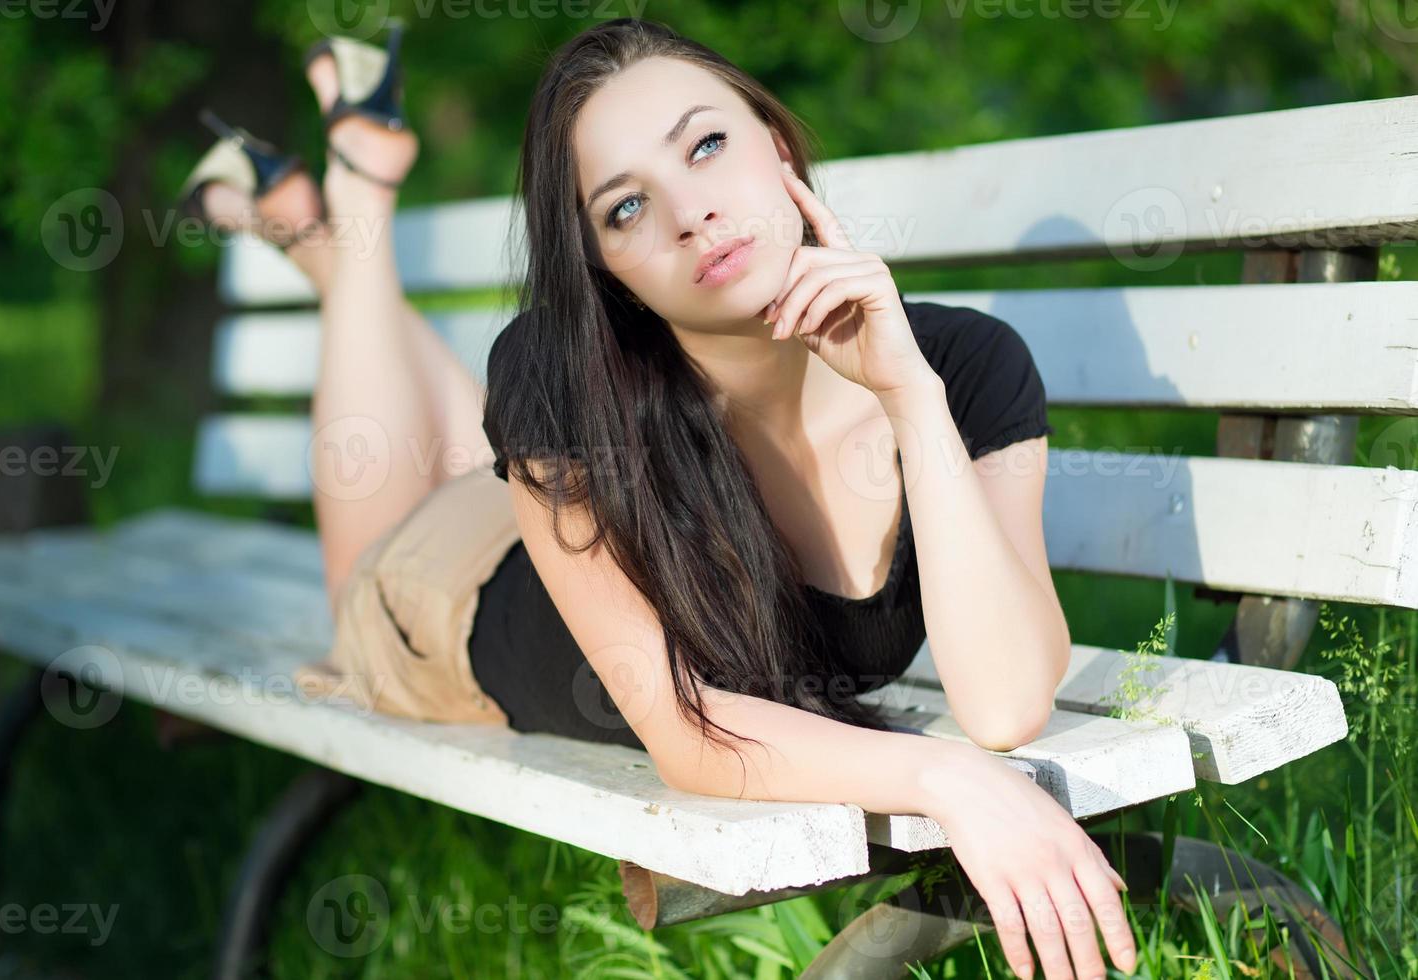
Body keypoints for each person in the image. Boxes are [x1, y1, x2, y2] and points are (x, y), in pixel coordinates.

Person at [179, 16, 1136, 980]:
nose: (691, 215)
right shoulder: (556, 377)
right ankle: (351, 204)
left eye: (708, 146)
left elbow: (1008, 701)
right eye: (626, 209)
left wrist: (910, 398)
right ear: (606, 268)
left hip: (560, 499)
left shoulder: (963, 369)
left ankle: (312, 228)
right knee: (362, 590)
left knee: (498, 443)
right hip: (452, 593)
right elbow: (687, 730)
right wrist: (946, 777)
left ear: (780, 145)